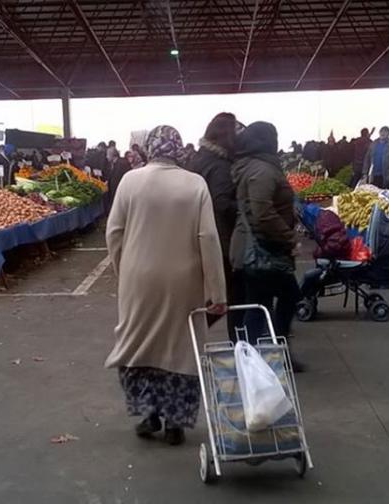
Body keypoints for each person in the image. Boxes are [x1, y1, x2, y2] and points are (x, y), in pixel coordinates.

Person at [106, 125, 226, 446]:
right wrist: (217, 292)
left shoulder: (130, 181)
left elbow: (114, 232)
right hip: (184, 281)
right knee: (181, 346)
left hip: (138, 278)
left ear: (150, 148)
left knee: (138, 342)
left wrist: (124, 270)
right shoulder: (195, 184)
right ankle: (176, 421)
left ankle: (148, 415)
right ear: (179, 150)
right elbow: (209, 239)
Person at [230, 121, 300, 345]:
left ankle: (263, 354)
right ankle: (273, 351)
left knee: (259, 304)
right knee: (285, 295)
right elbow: (262, 212)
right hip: (263, 248)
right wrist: (289, 238)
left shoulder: (252, 165)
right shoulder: (262, 169)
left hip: (255, 247)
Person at [188, 112, 239, 335]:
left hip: (194, 235)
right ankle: (239, 348)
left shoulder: (198, 159)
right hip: (220, 239)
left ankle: (186, 334)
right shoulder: (220, 166)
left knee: (207, 297)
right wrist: (246, 208)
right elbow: (222, 203)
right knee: (225, 299)